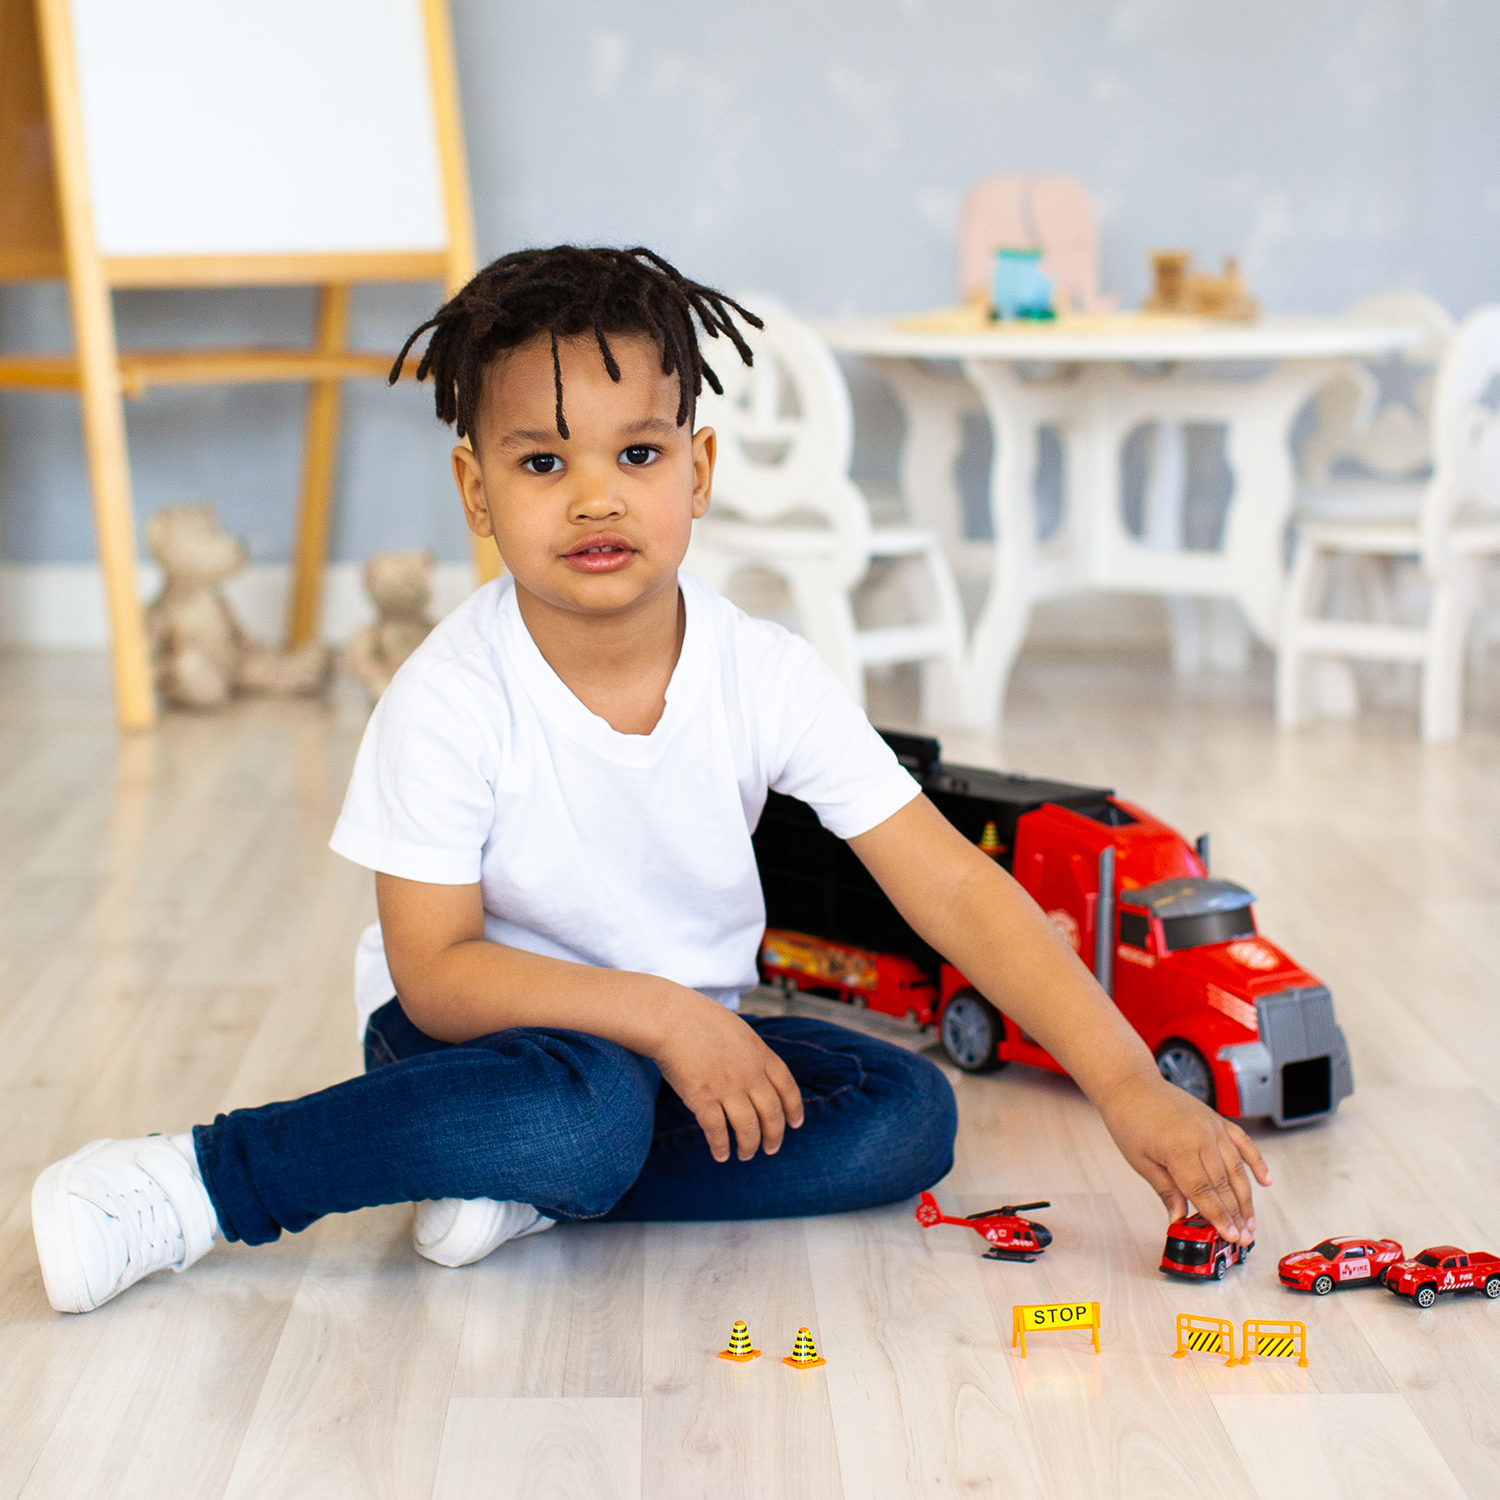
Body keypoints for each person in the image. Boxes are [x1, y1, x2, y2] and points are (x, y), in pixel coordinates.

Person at [30, 246, 1269, 1315]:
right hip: (479, 1049)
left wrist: (1123, 1086)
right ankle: (200, 1181)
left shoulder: (763, 672)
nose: (594, 497)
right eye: (539, 464)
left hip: (676, 1059)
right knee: (577, 1113)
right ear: (476, 491)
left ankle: (528, 1197)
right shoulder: (451, 693)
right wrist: (671, 1015)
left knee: (905, 1116)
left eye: (636, 451)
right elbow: (437, 971)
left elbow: (951, 885)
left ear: (699, 471)